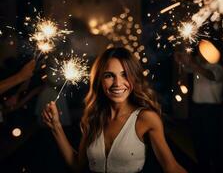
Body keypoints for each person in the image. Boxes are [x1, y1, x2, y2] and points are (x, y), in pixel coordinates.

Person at [42, 47, 187, 173]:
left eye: (124, 74)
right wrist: (56, 127)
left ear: (134, 77)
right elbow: (77, 166)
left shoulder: (146, 118)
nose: (117, 83)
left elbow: (171, 168)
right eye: (109, 75)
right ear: (99, 80)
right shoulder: (92, 118)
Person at [174, 50, 223, 173]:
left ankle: (217, 168)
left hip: (211, 111)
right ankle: (203, 167)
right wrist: (181, 60)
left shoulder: (218, 68)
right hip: (197, 109)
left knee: (212, 142)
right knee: (198, 141)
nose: (199, 55)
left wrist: (193, 63)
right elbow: (187, 68)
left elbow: (210, 75)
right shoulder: (200, 67)